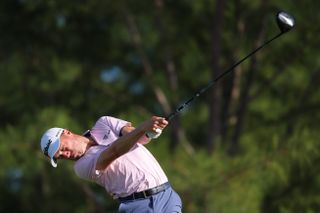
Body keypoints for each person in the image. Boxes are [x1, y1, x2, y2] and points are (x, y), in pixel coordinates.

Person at [40, 115, 182, 213]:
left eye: (62, 149)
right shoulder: (81, 167)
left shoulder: (104, 123)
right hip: (138, 206)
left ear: (67, 132)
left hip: (167, 195)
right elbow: (114, 152)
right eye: (61, 157)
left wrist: (151, 131)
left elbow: (138, 137)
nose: (65, 155)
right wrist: (143, 128)